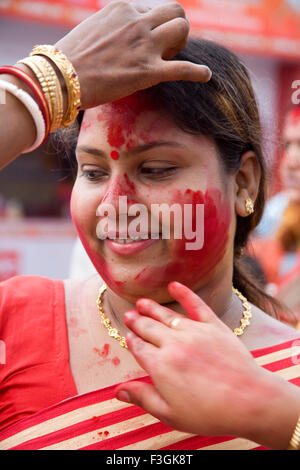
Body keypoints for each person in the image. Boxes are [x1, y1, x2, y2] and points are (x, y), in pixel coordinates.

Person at [0, 1, 300, 451]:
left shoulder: (289, 373)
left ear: (243, 182)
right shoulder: (15, 320)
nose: (114, 206)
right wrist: (44, 85)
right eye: (94, 172)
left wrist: (272, 414)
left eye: (156, 169)